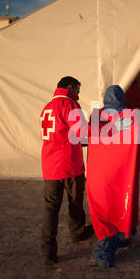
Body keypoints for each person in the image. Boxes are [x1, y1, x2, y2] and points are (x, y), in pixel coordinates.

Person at [39, 76, 94, 266]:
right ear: (69, 87)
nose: (79, 93)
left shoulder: (47, 107)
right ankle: (78, 232)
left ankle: (48, 252)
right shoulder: (69, 105)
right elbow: (82, 132)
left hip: (50, 166)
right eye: (78, 89)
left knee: (50, 209)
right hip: (69, 165)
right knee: (75, 201)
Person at [87, 85, 140, 268]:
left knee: (103, 210)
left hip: (100, 173)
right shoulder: (132, 117)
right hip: (123, 174)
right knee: (122, 206)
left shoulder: (96, 117)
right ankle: (124, 235)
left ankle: (105, 253)